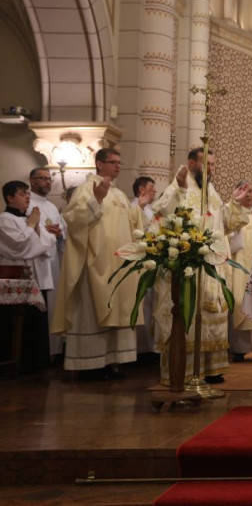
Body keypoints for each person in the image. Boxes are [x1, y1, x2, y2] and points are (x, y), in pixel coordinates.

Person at [151, 147, 251, 385]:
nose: (210, 169)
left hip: (212, 264)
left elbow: (224, 223)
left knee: (212, 314)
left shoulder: (211, 191)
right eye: (206, 164)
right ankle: (183, 371)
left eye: (213, 165)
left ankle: (210, 369)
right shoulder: (178, 186)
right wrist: (180, 188)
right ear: (191, 163)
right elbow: (162, 212)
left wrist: (234, 204)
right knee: (189, 314)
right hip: (188, 264)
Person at [52, 148, 144, 379]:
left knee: (118, 310)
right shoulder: (86, 189)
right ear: (99, 164)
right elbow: (74, 221)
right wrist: (97, 199)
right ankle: (89, 365)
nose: (117, 166)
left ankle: (113, 361)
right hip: (95, 263)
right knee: (92, 312)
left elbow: (131, 225)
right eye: (113, 162)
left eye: (119, 162)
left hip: (119, 263)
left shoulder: (120, 195)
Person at [0, 180, 55, 371]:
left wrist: (36, 226)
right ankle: (18, 362)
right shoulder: (4, 219)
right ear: (9, 198)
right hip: (16, 276)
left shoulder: (28, 219)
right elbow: (18, 246)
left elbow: (46, 244)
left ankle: (36, 362)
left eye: (28, 194)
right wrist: (31, 226)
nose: (27, 197)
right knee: (17, 322)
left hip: (37, 277)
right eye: (23, 194)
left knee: (36, 321)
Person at [224, 180, 252, 363]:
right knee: (239, 301)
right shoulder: (231, 214)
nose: (249, 194)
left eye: (251, 190)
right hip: (238, 265)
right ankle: (239, 348)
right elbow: (226, 239)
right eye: (244, 191)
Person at [27, 167, 66, 360]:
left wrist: (60, 233)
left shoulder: (51, 206)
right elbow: (28, 228)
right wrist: (46, 231)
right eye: (42, 178)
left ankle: (55, 350)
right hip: (37, 261)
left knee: (55, 304)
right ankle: (41, 352)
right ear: (32, 181)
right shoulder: (28, 203)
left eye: (49, 179)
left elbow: (63, 229)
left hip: (53, 260)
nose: (47, 182)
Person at [130, 175, 158, 361]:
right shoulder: (132, 208)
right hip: (138, 262)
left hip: (153, 263)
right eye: (151, 188)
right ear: (141, 189)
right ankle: (138, 349)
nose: (155, 191)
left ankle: (149, 347)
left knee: (150, 305)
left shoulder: (151, 210)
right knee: (140, 303)